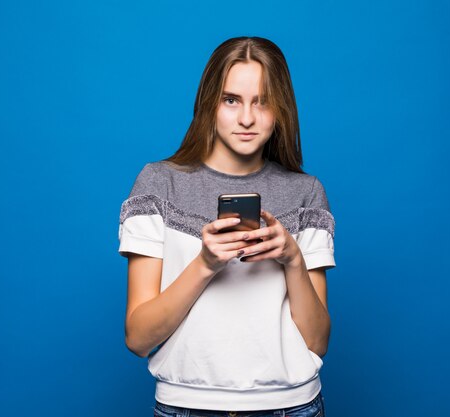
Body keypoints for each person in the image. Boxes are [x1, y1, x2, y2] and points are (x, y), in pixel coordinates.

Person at [118, 36, 335, 417]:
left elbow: (317, 342)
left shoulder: (307, 193)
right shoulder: (158, 185)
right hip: (187, 407)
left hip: (292, 407)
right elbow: (138, 337)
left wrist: (293, 259)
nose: (247, 118)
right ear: (209, 104)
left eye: (263, 101)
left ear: (281, 109)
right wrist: (205, 264)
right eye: (231, 100)